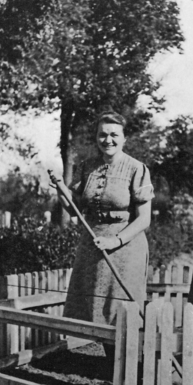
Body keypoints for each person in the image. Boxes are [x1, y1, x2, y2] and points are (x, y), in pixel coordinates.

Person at [59, 110, 154, 328]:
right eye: (102, 135)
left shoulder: (137, 169)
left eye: (114, 135)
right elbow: (74, 210)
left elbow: (144, 219)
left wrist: (116, 240)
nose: (108, 140)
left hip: (125, 248)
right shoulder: (86, 167)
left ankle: (126, 359)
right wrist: (60, 190)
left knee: (121, 311)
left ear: (124, 139)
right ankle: (106, 360)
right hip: (92, 245)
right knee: (93, 310)